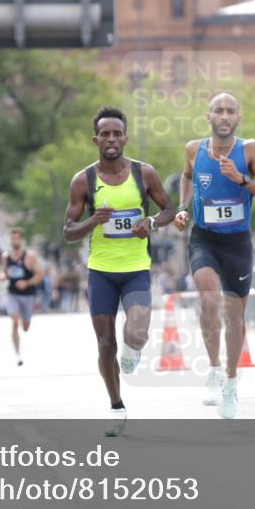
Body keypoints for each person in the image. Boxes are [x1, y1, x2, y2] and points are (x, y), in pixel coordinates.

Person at [63, 105, 175, 435]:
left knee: (137, 333)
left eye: (117, 134)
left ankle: (133, 352)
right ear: (95, 139)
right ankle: (116, 405)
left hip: (136, 267)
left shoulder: (145, 174)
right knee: (104, 344)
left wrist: (151, 221)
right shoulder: (83, 180)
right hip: (101, 272)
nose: (111, 139)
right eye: (105, 134)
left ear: (125, 138)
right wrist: (91, 222)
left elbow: (169, 209)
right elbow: (68, 230)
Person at [173, 93, 255, 419]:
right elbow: (187, 176)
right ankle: (215, 370)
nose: (224, 116)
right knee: (208, 297)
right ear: (208, 116)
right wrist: (183, 208)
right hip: (203, 238)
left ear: (238, 118)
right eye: (218, 110)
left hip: (237, 243)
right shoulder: (194, 149)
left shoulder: (251, 150)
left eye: (230, 111)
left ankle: (231, 382)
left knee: (235, 316)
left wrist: (242, 180)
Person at [0, 228, 44, 366]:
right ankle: (18, 355)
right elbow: (4, 272)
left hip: (28, 295)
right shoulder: (6, 257)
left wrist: (27, 282)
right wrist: (2, 276)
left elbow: (39, 275)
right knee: (14, 321)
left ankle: (22, 319)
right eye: (12, 239)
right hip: (12, 294)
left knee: (25, 327)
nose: (14, 241)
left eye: (17, 239)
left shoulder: (29, 256)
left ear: (21, 239)